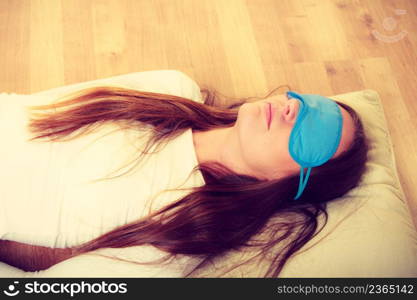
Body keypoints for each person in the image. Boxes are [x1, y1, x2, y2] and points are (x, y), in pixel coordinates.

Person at [0, 84, 368, 277]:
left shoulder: (180, 233)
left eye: (313, 136)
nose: (292, 108)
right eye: (309, 103)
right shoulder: (167, 90)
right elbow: (25, 107)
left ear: (287, 182)